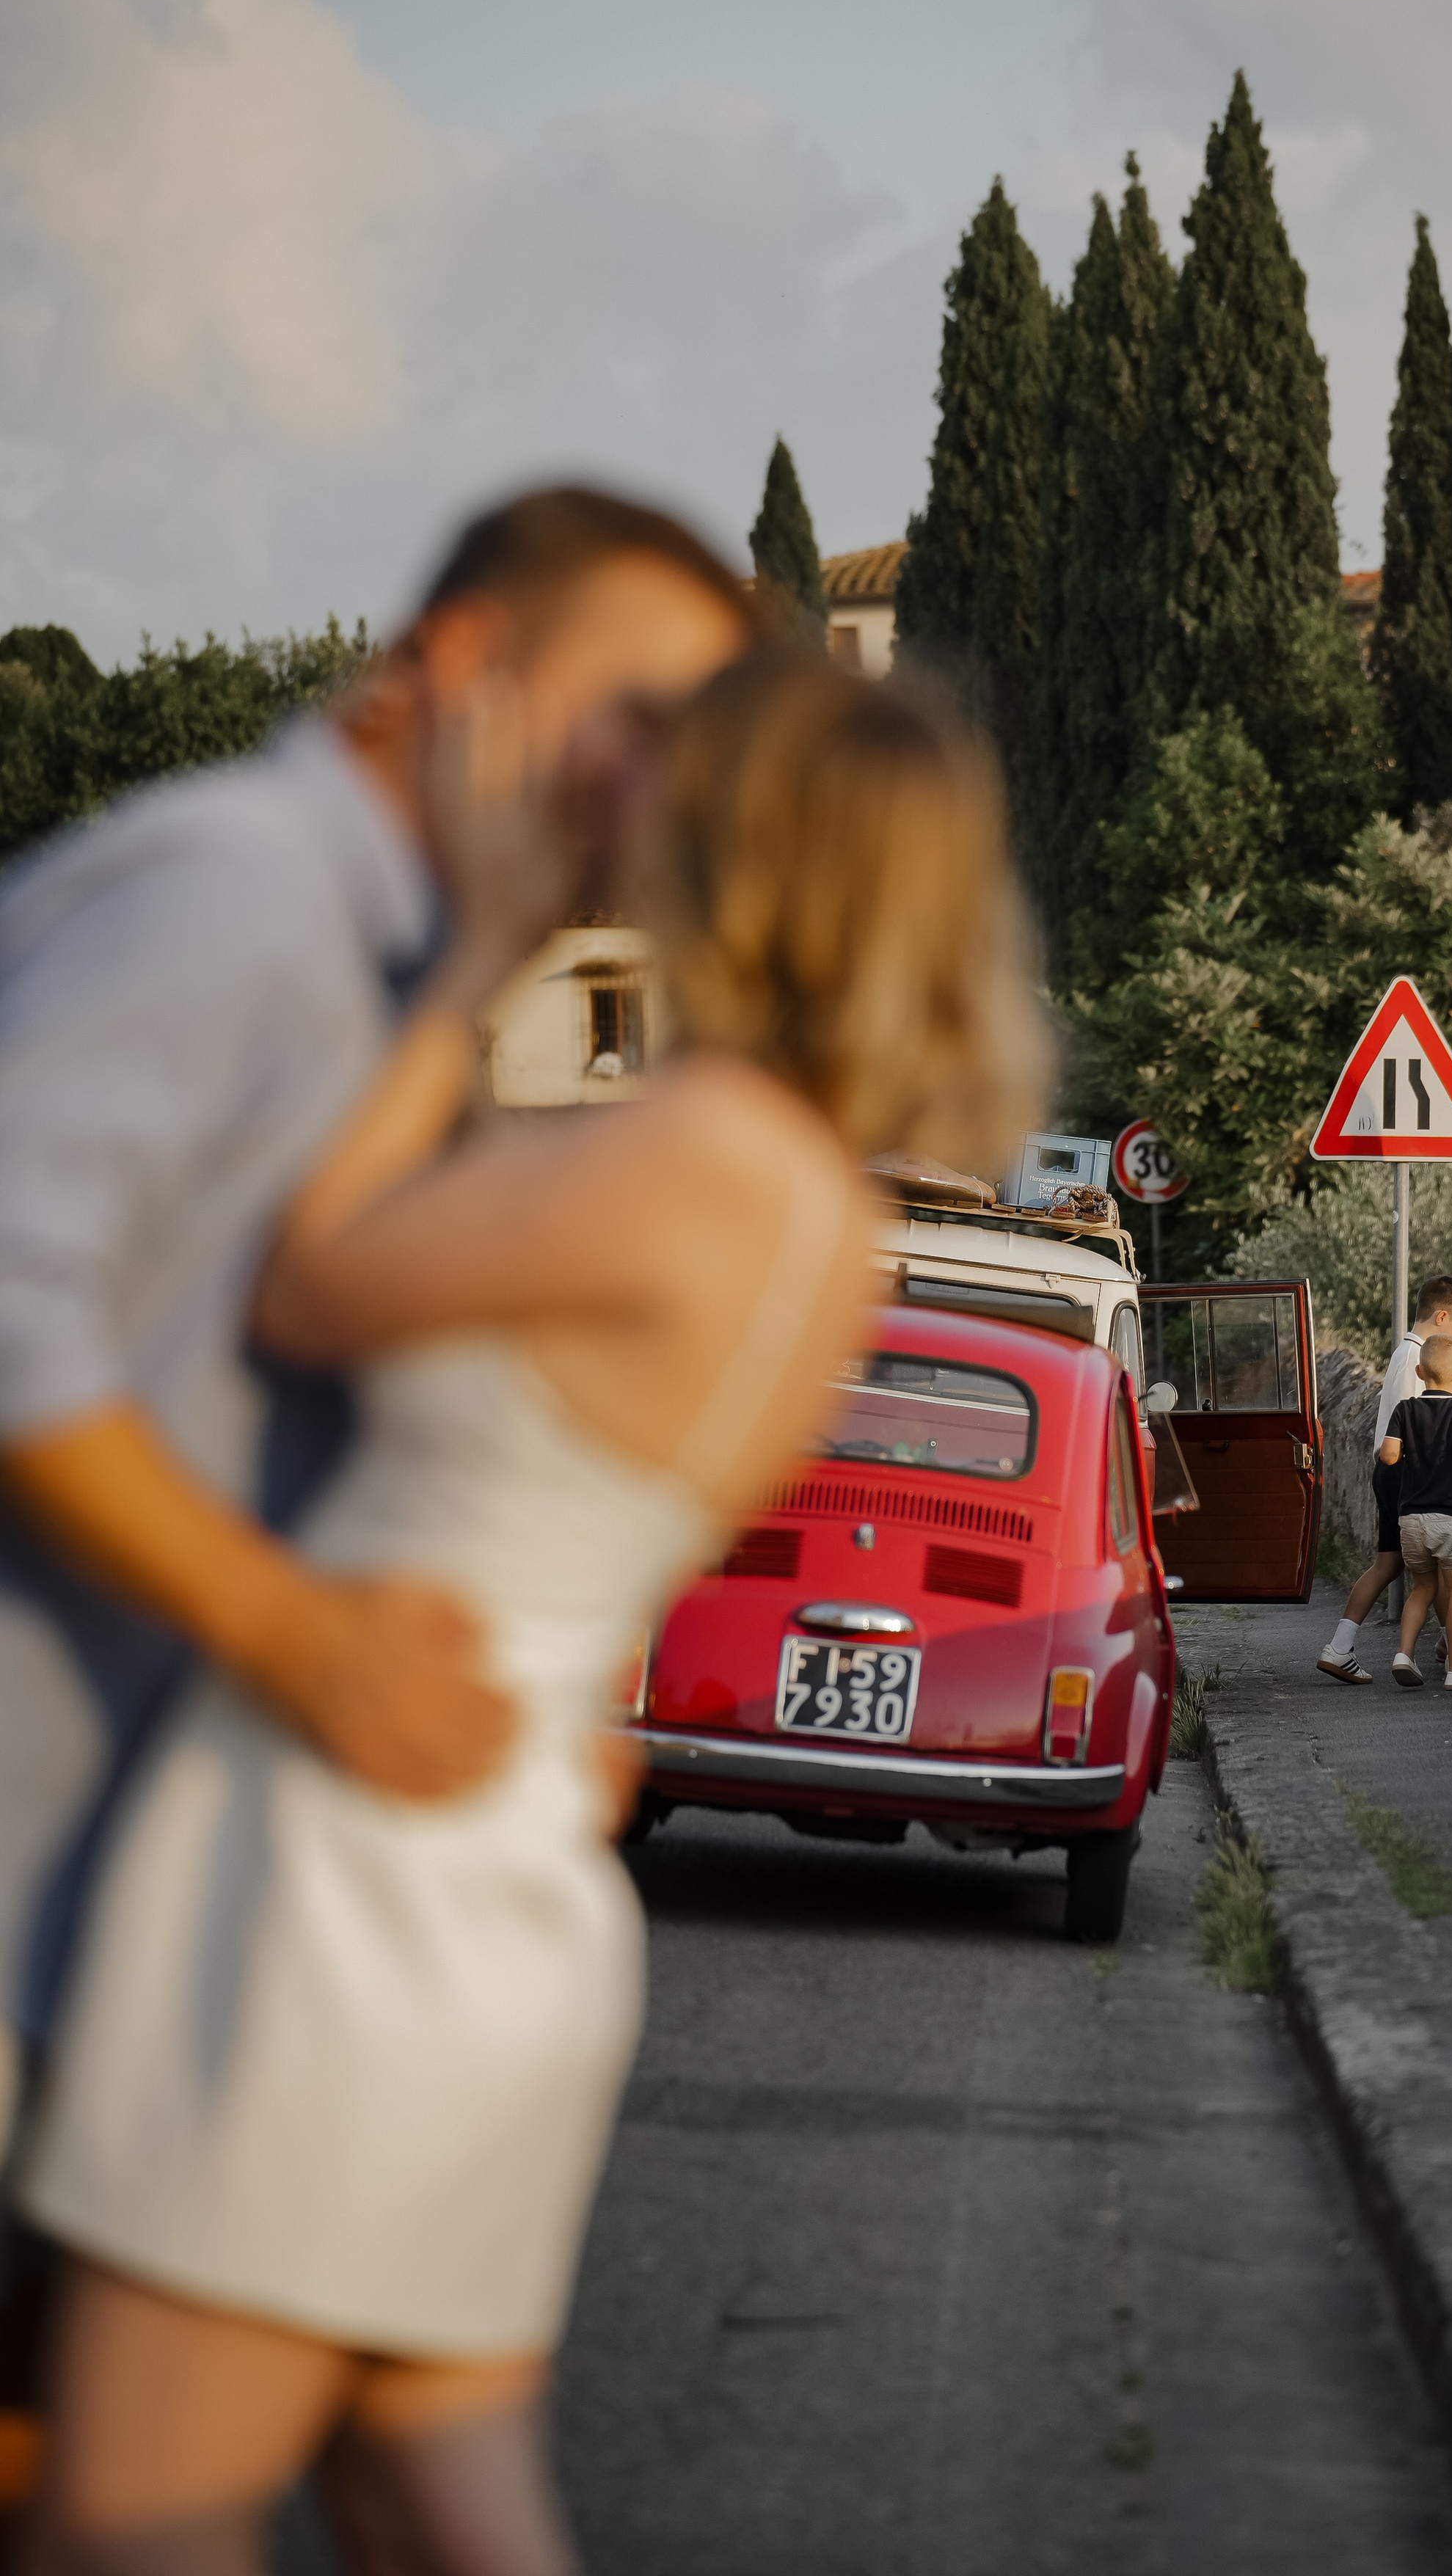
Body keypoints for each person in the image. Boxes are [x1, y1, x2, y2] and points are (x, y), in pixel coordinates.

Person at [13, 646, 1048, 2576]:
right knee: (429, 2506)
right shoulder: (819, 1203)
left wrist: (477, 959)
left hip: (346, 1869)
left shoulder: (694, 1150)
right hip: (482, 1879)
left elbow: (307, 1278)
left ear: (747, 854)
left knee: (124, 2515)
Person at [0, 484, 753, 2153]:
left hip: (105, 1920)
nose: (667, 789)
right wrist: (290, 1631)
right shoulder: (243, 890)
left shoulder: (404, 968)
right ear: (461, 663)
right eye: (640, 720)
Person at [1316, 1274, 1452, 1685]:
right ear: (1442, 1317)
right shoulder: (1415, 1361)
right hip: (1407, 1475)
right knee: (1436, 1569)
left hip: (1393, 1474)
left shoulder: (1407, 1354)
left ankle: (1340, 1647)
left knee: (1389, 1565)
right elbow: (1415, 1428)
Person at [1376, 1332, 1452, 1690]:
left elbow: (1388, 1456)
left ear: (1419, 1372)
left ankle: (1404, 1654)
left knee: (1422, 1588)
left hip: (1411, 1518)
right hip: (1451, 1516)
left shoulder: (1404, 1410)